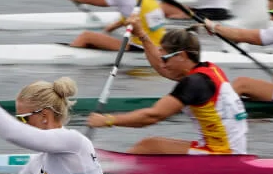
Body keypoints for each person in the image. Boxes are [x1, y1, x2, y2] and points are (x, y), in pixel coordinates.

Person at [87, 17, 248, 155]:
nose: (162, 65)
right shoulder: (210, 69)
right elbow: (161, 66)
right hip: (231, 149)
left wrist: (108, 120)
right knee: (153, 145)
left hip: (222, 153)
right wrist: (142, 35)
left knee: (149, 146)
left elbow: (152, 116)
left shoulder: (193, 83)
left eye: (166, 59)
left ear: (182, 56)